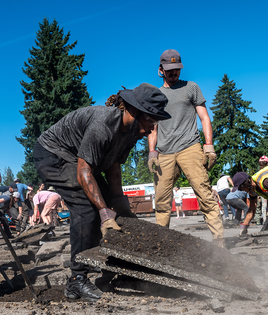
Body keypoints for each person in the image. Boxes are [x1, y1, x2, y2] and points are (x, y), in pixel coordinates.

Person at [34, 83, 171, 301]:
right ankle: (77, 281)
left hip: (79, 162)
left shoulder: (130, 133)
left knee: (110, 209)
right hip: (54, 155)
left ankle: (112, 271)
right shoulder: (103, 125)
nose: (152, 129)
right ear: (134, 112)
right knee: (87, 209)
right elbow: (84, 173)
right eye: (151, 120)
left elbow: (113, 169)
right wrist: (104, 213)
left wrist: (120, 206)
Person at [146, 49, 223, 246]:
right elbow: (152, 128)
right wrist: (152, 153)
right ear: (160, 70)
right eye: (169, 69)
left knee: (204, 193)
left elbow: (204, 117)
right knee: (162, 201)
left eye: (176, 69)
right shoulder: (156, 95)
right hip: (164, 153)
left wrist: (209, 146)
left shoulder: (191, 87)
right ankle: (160, 245)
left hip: (190, 148)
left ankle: (220, 242)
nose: (174, 73)